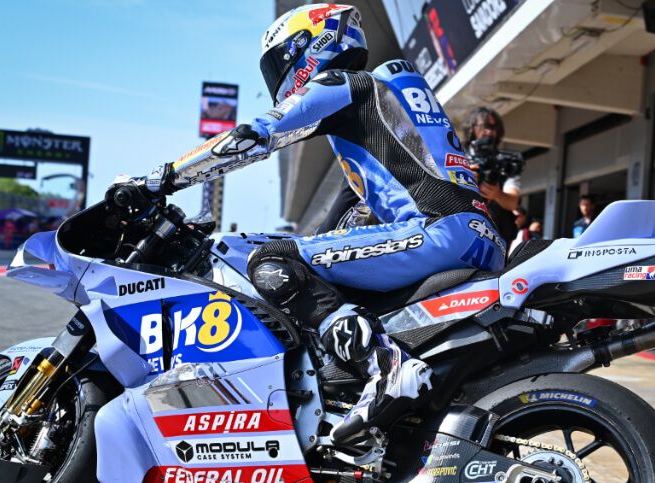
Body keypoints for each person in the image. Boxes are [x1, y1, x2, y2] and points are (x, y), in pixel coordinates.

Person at [110, 4, 505, 446]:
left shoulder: (345, 85)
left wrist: (160, 179)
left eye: (277, 63)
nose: (277, 79)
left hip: (438, 231)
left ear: (310, 45)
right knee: (306, 263)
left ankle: (387, 366)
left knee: (271, 262)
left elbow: (253, 137)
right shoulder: (384, 99)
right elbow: (365, 214)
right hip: (472, 233)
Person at [462, 107, 521, 244]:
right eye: (485, 126)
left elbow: (512, 202)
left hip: (496, 235)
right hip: (461, 227)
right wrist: (466, 176)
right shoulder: (456, 155)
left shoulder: (504, 161)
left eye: (495, 128)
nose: (490, 132)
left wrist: (497, 194)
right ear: (472, 127)